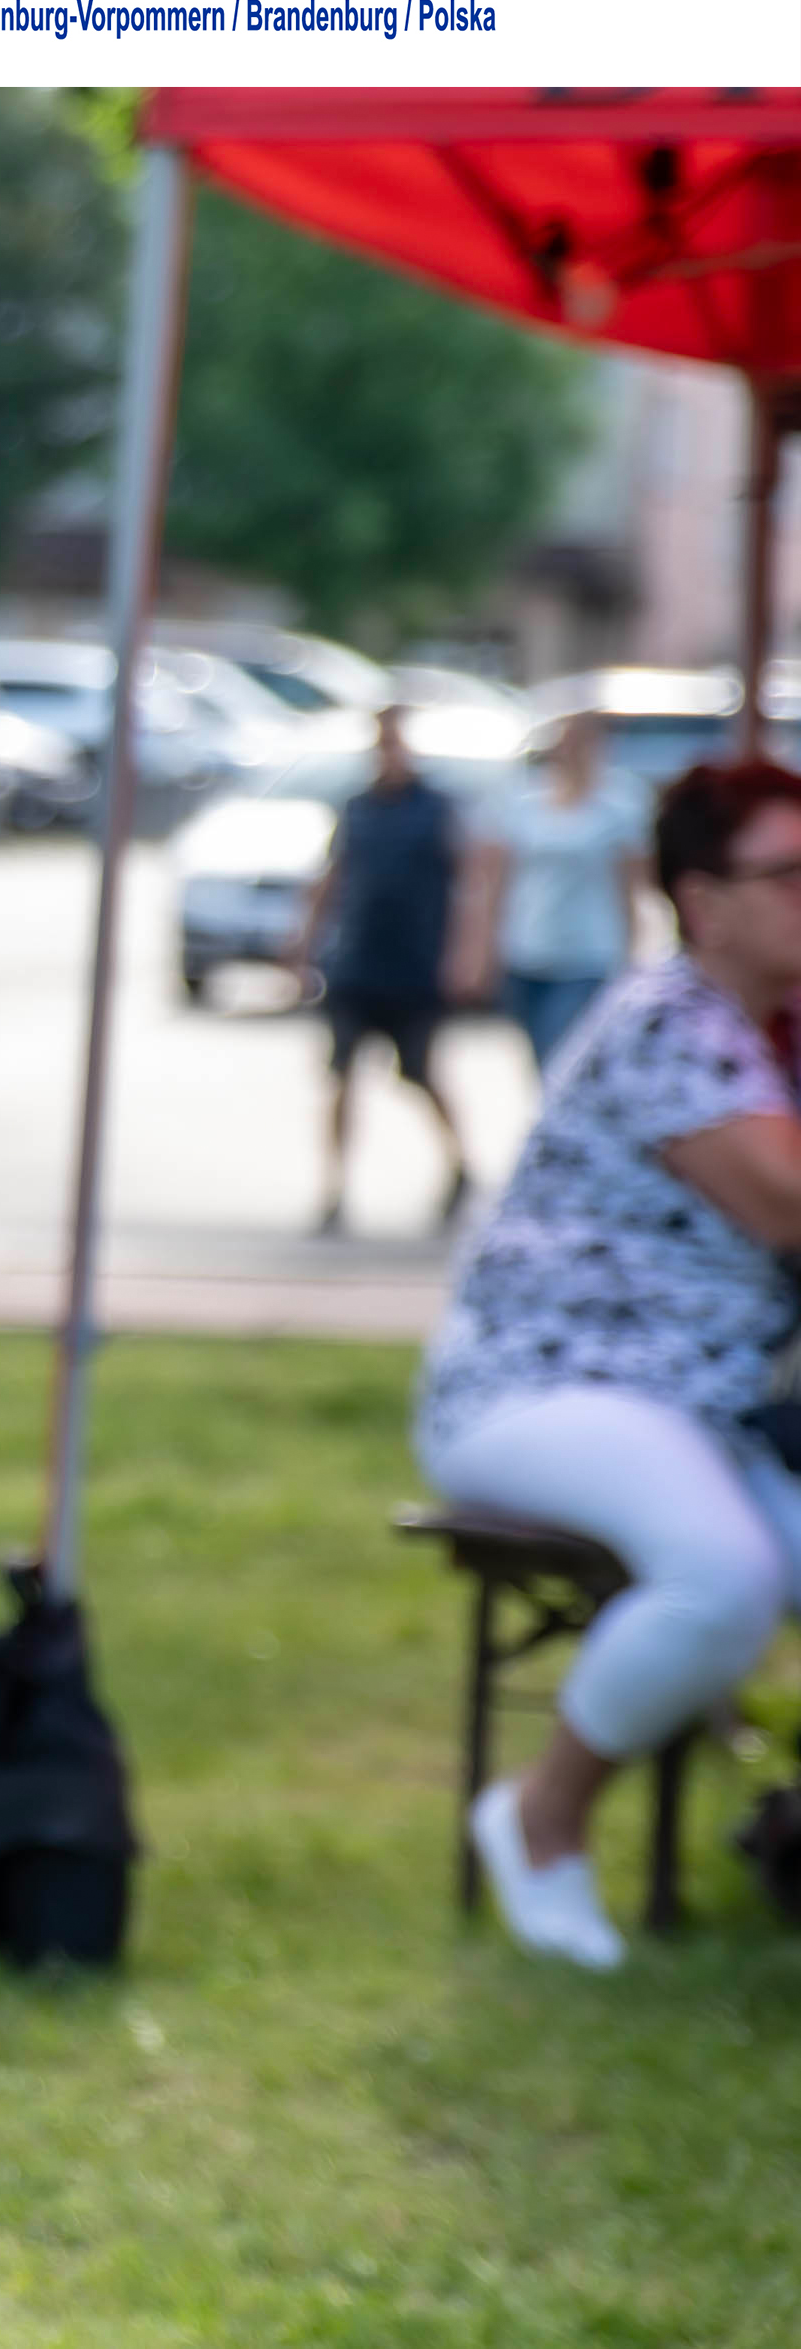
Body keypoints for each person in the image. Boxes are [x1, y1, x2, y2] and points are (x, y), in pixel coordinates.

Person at [415, 758, 801, 1970]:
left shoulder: (770, 1032)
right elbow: (787, 1205)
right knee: (722, 1575)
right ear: (702, 899)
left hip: (702, 1409)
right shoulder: (670, 1026)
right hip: (549, 1390)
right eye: (790, 874)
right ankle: (540, 1820)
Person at [291, 703, 467, 1235]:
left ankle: (460, 1165)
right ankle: (335, 1189)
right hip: (356, 961)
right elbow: (333, 874)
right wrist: (304, 943)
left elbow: (469, 883)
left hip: (414, 963)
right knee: (342, 1075)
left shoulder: (436, 809)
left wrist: (465, 953)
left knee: (420, 1072)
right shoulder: (358, 808)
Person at [450, 709, 648, 1072]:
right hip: (527, 952)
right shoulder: (523, 802)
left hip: (587, 957)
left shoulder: (620, 805)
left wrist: (633, 957)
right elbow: (495, 881)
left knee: (560, 1060)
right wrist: (479, 950)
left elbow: (632, 888)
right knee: (538, 1061)